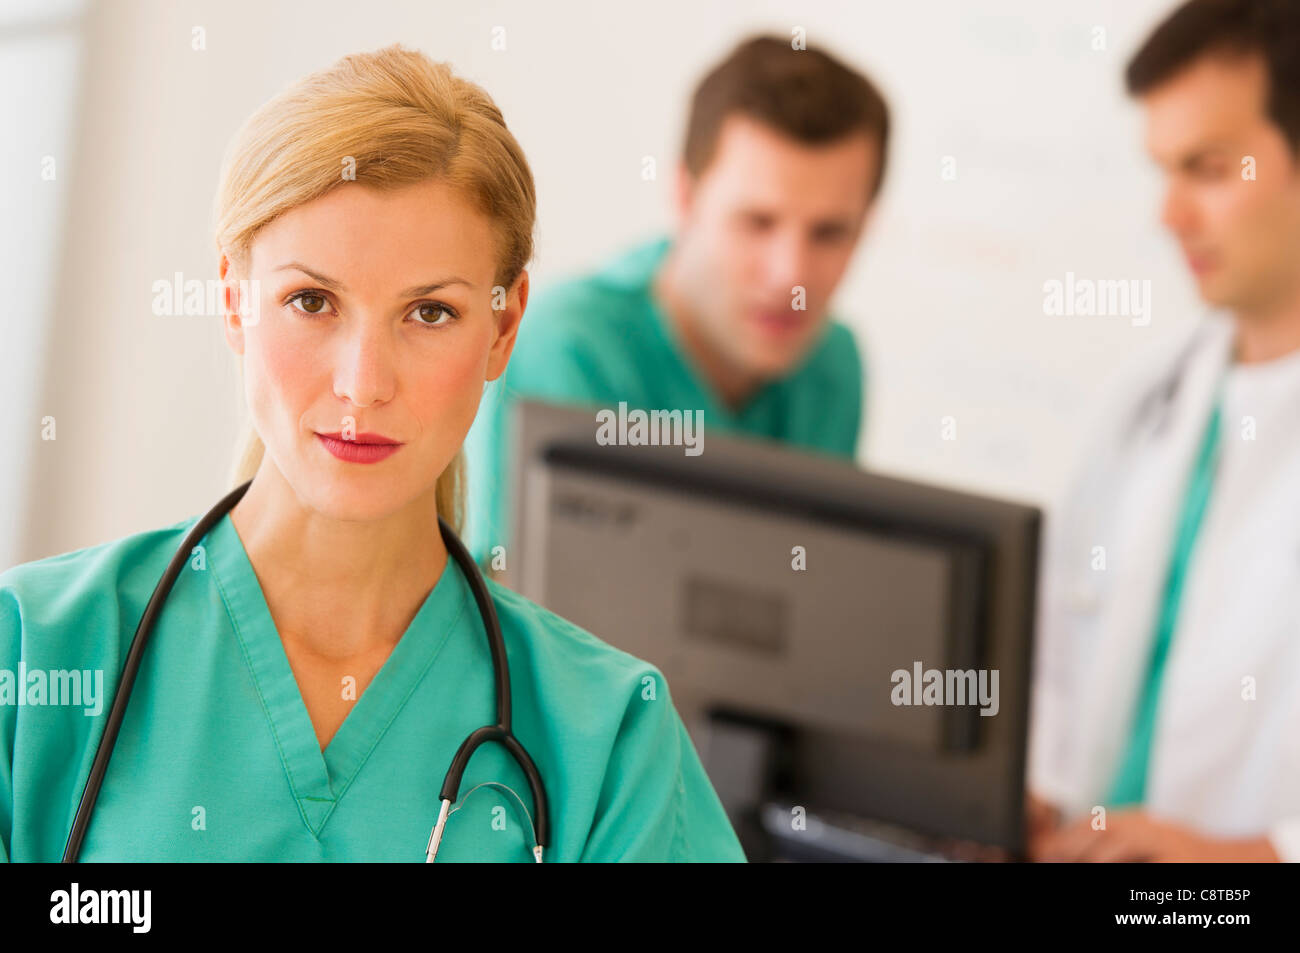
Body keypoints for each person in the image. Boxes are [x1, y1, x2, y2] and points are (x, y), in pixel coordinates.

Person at [0, 45, 746, 863]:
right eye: (311, 301)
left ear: (503, 327)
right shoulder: (34, 654)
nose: (363, 385)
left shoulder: (608, 740)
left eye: (429, 313)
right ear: (233, 302)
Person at [1028, 0, 1300, 862]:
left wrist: (1249, 861)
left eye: (1209, 169)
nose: (1170, 214)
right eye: (1164, 172)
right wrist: (1033, 798)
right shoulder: (1147, 397)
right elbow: (1056, 668)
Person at [465, 35, 888, 567]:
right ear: (685, 197)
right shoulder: (568, 347)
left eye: (829, 233)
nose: (790, 276)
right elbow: (515, 615)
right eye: (757, 222)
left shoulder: (834, 365)